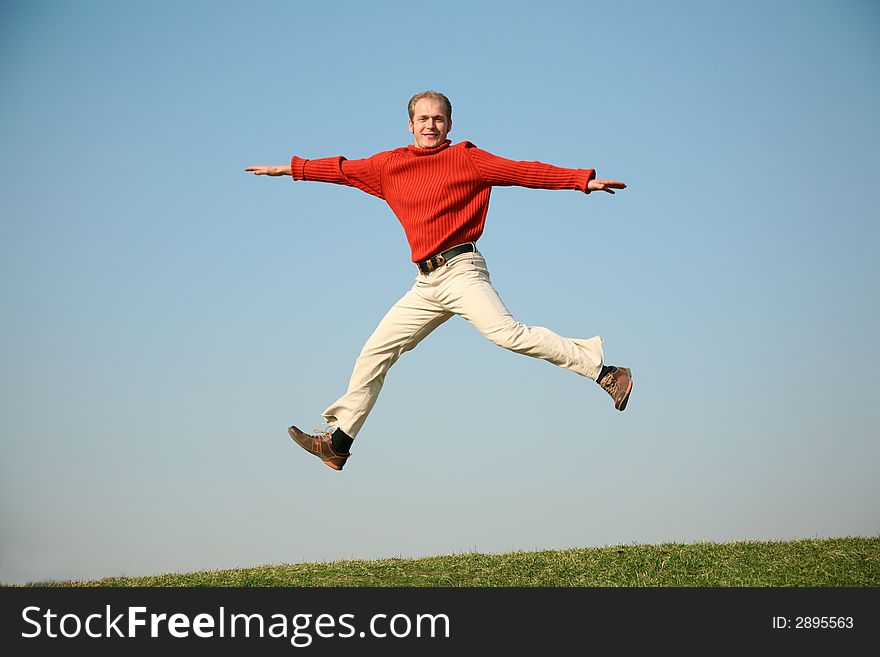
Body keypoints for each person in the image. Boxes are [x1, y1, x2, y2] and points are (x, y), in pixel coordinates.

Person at [245, 90, 631, 472]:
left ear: (449, 124)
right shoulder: (389, 166)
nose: (431, 125)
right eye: (423, 119)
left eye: (438, 119)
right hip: (425, 285)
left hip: (462, 271)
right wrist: (291, 169)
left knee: (507, 334)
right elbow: (342, 170)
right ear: (410, 125)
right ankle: (338, 442)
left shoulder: (466, 159)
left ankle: (605, 372)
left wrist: (581, 180)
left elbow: (523, 171)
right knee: (375, 353)